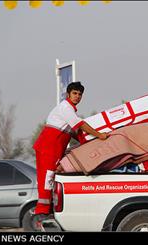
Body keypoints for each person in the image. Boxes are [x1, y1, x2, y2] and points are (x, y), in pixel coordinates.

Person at [32, 81, 108, 228]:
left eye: (80, 94)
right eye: (74, 93)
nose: (77, 96)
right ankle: (42, 215)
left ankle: (44, 212)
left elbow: (75, 132)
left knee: (47, 178)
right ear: (68, 94)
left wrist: (86, 143)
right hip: (50, 147)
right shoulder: (66, 108)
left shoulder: (69, 110)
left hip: (49, 146)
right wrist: (100, 135)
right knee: (48, 177)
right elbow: (79, 126)